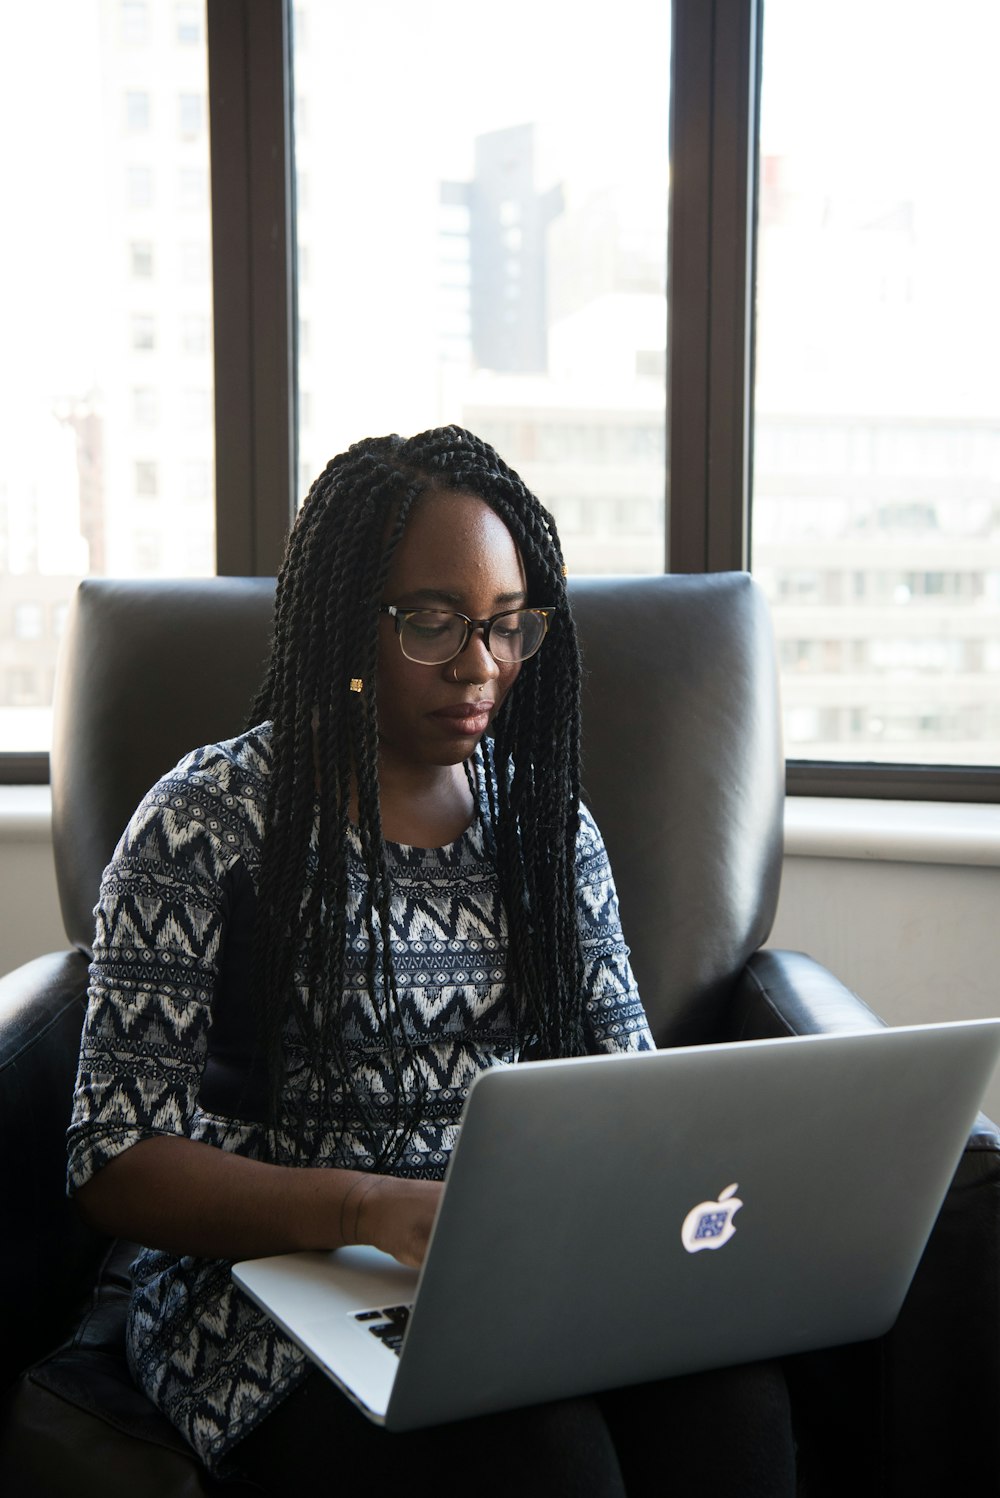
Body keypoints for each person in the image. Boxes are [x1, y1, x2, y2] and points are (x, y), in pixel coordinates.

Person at [68, 426, 795, 1495]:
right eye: (433, 623)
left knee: (734, 1409)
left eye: (506, 627)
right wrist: (370, 1208)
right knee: (542, 1460)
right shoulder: (204, 825)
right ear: (342, 621)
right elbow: (116, 1157)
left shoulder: (544, 827)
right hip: (268, 1292)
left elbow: (632, 1089)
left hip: (510, 1274)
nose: (480, 665)